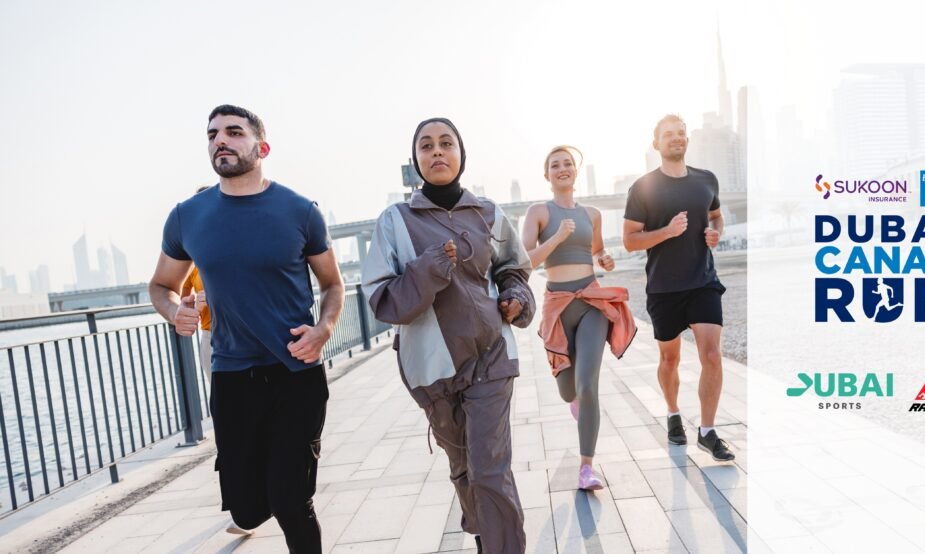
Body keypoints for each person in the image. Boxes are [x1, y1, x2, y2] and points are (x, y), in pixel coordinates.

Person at [148, 105, 344, 553]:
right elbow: (161, 286)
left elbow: (333, 284)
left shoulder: (300, 211)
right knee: (248, 508)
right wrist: (174, 311)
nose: (220, 140)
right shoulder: (186, 217)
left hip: (296, 371)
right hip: (232, 377)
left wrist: (324, 328)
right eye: (212, 134)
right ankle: (256, 503)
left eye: (234, 132)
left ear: (262, 147)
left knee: (291, 500)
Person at [362, 117, 534, 553]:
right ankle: (483, 536)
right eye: (426, 145)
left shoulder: (489, 213)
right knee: (463, 466)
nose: (436, 151)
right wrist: (428, 269)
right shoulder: (394, 221)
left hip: (492, 355)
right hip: (431, 367)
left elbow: (513, 269)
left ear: (461, 153)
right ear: (416, 159)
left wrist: (516, 296)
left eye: (445, 143)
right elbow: (383, 301)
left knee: (490, 468)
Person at [521, 145, 636, 490]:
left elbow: (597, 250)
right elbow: (526, 261)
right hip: (558, 306)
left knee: (588, 385)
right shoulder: (538, 212)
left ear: (576, 170)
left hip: (590, 301)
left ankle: (586, 467)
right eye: (555, 165)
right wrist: (557, 237)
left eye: (568, 163)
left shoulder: (592, 214)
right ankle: (576, 403)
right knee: (568, 390)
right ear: (547, 175)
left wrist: (604, 259)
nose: (562, 168)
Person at [623, 114, 735, 462]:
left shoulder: (706, 180)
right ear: (656, 143)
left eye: (681, 133)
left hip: (703, 281)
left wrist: (717, 232)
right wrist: (667, 232)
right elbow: (630, 240)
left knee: (712, 355)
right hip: (664, 288)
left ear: (687, 140)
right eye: (669, 134)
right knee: (669, 359)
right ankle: (673, 412)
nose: (676, 138)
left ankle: (707, 431)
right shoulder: (643, 188)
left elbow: (716, 215)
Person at [180, 185, 213, 379]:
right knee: (221, 396)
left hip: (247, 334)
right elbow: (181, 305)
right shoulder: (189, 262)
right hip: (211, 337)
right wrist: (196, 308)